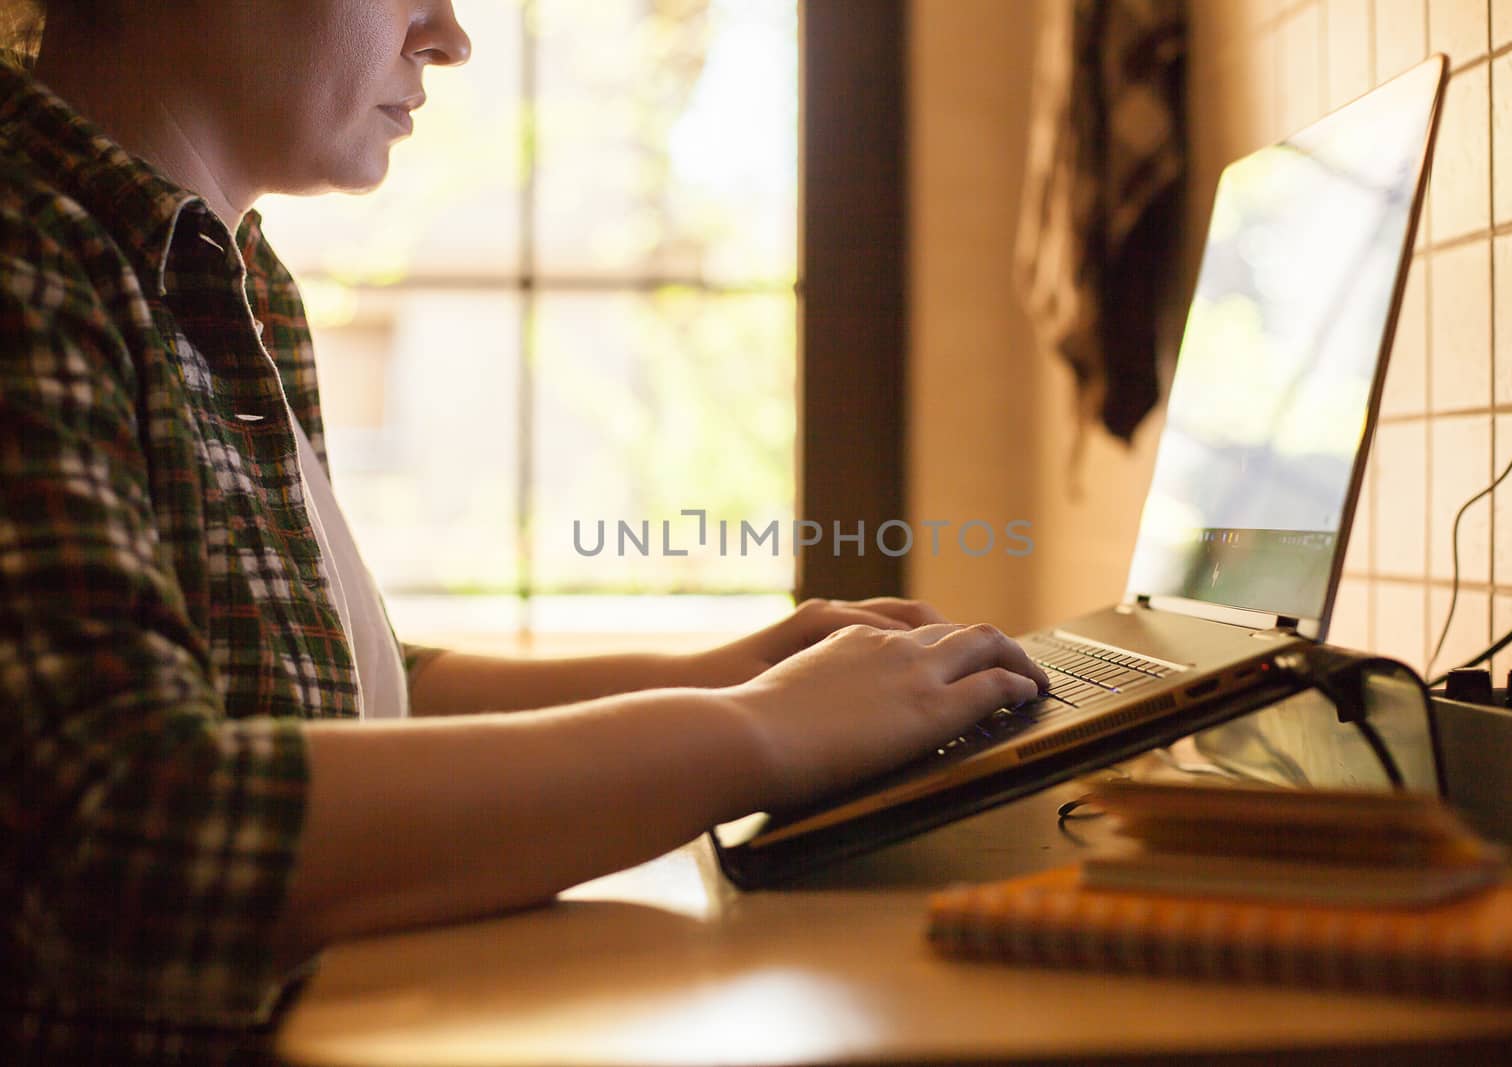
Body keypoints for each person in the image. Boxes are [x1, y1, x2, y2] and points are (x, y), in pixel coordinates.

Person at [0, 2, 1049, 1061]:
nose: (448, 36)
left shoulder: (220, 272)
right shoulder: (24, 261)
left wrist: (721, 675)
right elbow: (119, 820)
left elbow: (331, 690)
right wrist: (756, 735)